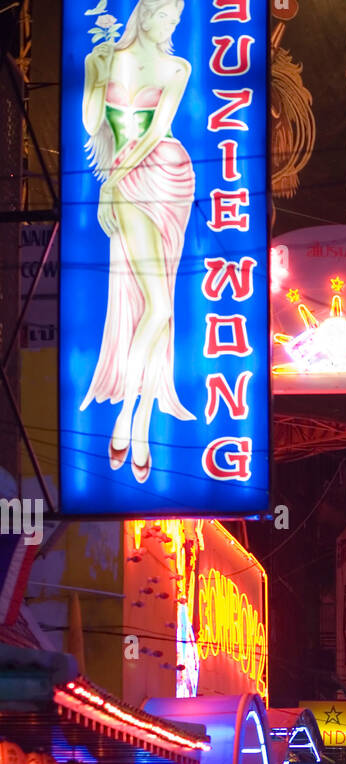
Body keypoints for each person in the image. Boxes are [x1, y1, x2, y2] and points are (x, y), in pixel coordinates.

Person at [81, 0, 195, 484]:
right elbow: (92, 125)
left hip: (167, 172)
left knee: (161, 303)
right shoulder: (102, 59)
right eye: (165, 15)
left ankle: (136, 421)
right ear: (144, 14)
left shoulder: (177, 67)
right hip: (125, 180)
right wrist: (96, 69)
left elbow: (158, 132)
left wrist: (111, 182)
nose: (170, 25)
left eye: (176, 19)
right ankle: (134, 422)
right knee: (156, 305)